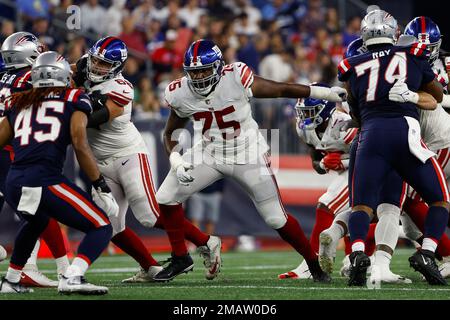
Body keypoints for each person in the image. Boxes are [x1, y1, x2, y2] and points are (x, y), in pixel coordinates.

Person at [154, 38, 347, 282]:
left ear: (218, 66)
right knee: (165, 198)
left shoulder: (235, 77)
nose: (200, 76)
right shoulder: (179, 92)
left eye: (204, 69)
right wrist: (175, 159)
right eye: (194, 72)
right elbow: (170, 132)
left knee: (276, 218)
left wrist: (324, 93)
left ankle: (313, 263)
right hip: (209, 152)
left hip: (248, 153)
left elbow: (280, 89)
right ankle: (182, 256)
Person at [73, 36, 221, 282]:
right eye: (96, 61)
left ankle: (207, 241)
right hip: (99, 161)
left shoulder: (122, 88)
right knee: (109, 225)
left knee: (149, 216)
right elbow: (68, 79)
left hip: (127, 155)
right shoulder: (83, 66)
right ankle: (150, 267)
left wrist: (75, 99)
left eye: (104, 64)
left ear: (118, 67)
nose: (97, 67)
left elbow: (94, 117)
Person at [338, 10, 447, 286]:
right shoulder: (412, 55)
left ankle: (358, 253)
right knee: (439, 199)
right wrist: (410, 93)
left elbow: (355, 112)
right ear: (393, 32)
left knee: (361, 206)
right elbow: (436, 96)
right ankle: (428, 252)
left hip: (370, 135)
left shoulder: (352, 64)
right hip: (405, 132)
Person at [0, 51, 118, 294]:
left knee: (36, 222)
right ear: (64, 75)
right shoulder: (74, 96)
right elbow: (79, 142)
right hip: (44, 178)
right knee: (102, 226)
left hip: (13, 180)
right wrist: (99, 184)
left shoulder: (17, 100)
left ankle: (11, 280)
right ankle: (72, 276)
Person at [0, 31, 70, 287]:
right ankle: (64, 268)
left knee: (35, 212)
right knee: (41, 212)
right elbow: (61, 84)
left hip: (6, 150)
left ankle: (32, 266)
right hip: (12, 152)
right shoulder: (29, 76)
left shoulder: (5, 77)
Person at [278, 84, 357, 280]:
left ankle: (310, 264)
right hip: (347, 171)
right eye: (302, 112)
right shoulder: (304, 129)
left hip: (362, 170)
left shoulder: (344, 124)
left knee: (327, 204)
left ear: (326, 109)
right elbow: (316, 165)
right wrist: (323, 162)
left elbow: (371, 152)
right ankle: (353, 259)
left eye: (310, 111)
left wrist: (344, 162)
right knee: (353, 213)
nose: (305, 117)